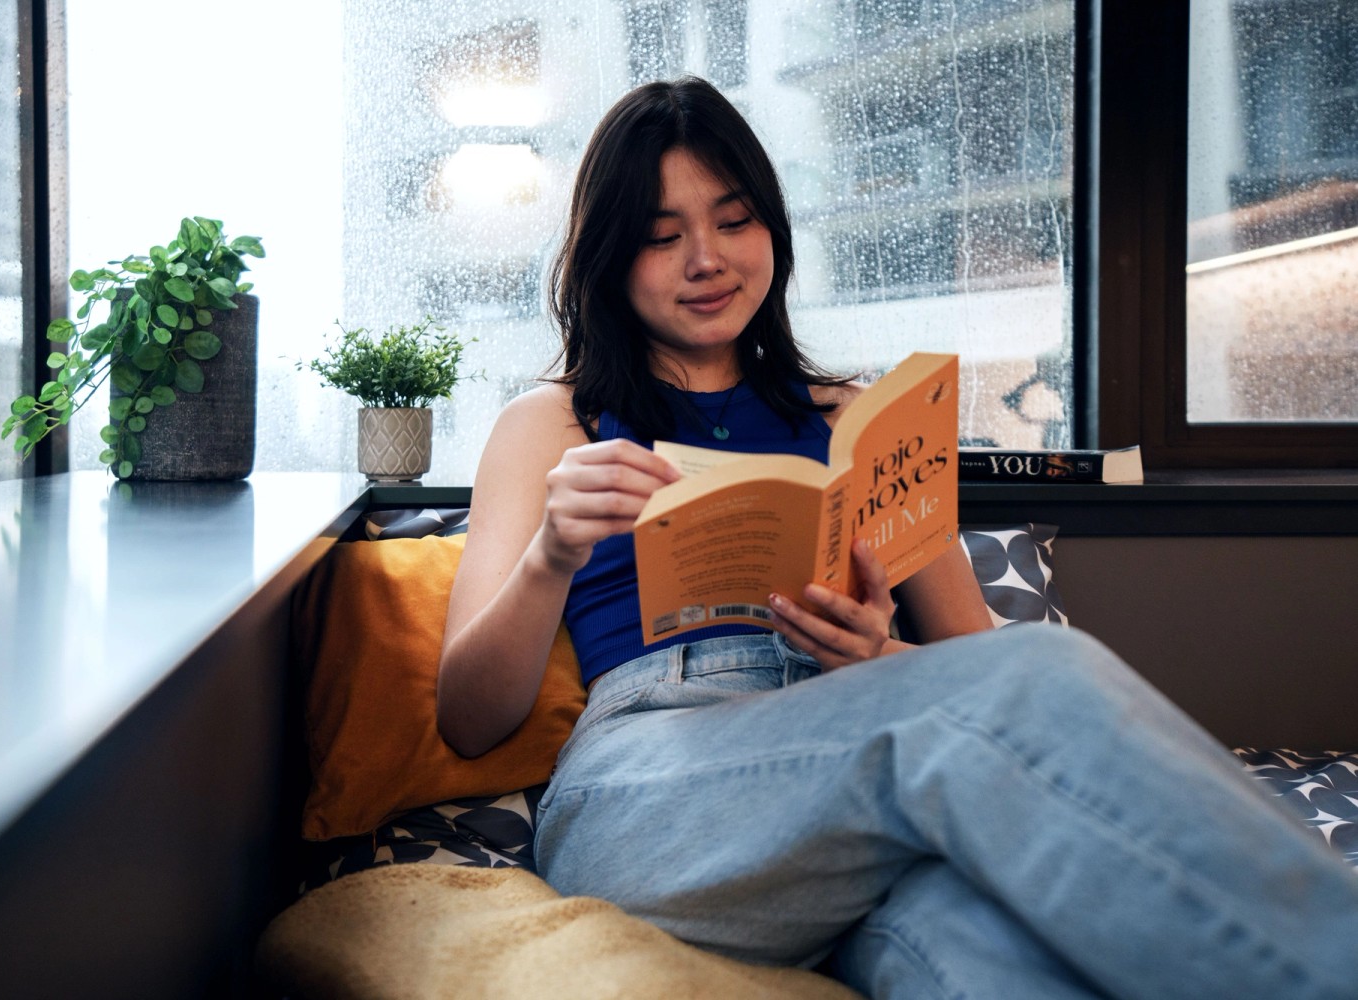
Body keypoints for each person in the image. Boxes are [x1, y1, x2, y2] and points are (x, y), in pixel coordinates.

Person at [436, 76, 1358, 1000]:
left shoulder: (855, 418)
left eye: (735, 220)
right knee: (1044, 670)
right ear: (609, 257)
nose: (706, 259)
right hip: (652, 792)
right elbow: (470, 720)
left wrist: (876, 654)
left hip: (855, 797)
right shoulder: (552, 422)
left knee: (995, 960)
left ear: (774, 232)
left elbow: (969, 667)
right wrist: (550, 554)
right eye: (662, 236)